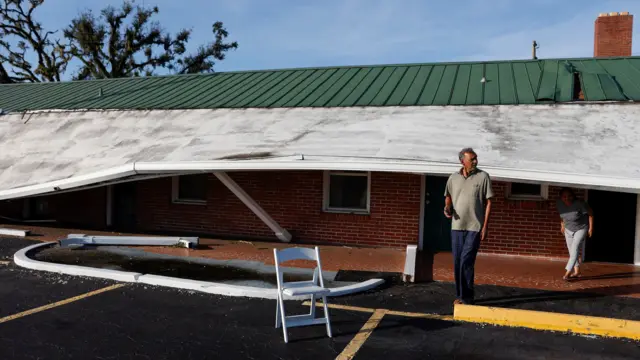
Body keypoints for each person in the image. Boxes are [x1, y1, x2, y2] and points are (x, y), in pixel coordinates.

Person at [444, 147, 493, 305]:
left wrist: (485, 226)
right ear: (462, 161)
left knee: (466, 260)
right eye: (472, 159)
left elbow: (489, 202)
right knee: (458, 261)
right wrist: (447, 208)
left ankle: (467, 297)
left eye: (475, 158)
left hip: (474, 226)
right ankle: (460, 296)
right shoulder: (453, 178)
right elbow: (448, 196)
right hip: (457, 227)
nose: (475, 161)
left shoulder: (483, 177)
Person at [556, 187, 593, 280]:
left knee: (575, 248)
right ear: (561, 197)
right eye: (564, 196)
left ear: (573, 196)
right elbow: (561, 215)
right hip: (568, 229)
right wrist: (562, 225)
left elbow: (591, 214)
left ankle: (567, 272)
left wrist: (591, 228)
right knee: (571, 251)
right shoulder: (559, 204)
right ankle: (577, 272)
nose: (567, 198)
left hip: (581, 228)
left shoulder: (580, 204)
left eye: (569, 196)